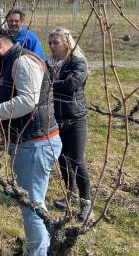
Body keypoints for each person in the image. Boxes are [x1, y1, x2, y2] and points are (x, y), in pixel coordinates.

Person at [0, 27, 62, 256]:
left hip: (36, 143)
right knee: (31, 203)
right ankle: (38, 245)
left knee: (32, 206)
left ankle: (37, 252)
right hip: (26, 142)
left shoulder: (22, 62)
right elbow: (11, 102)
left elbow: (28, 102)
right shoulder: (8, 63)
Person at [47, 27, 93, 221]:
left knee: (77, 161)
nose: (51, 47)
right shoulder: (51, 64)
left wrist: (50, 83)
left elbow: (70, 86)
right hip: (57, 118)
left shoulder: (78, 62)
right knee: (62, 160)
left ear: (67, 43)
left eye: (55, 43)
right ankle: (71, 195)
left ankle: (87, 205)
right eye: (49, 43)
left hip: (75, 119)